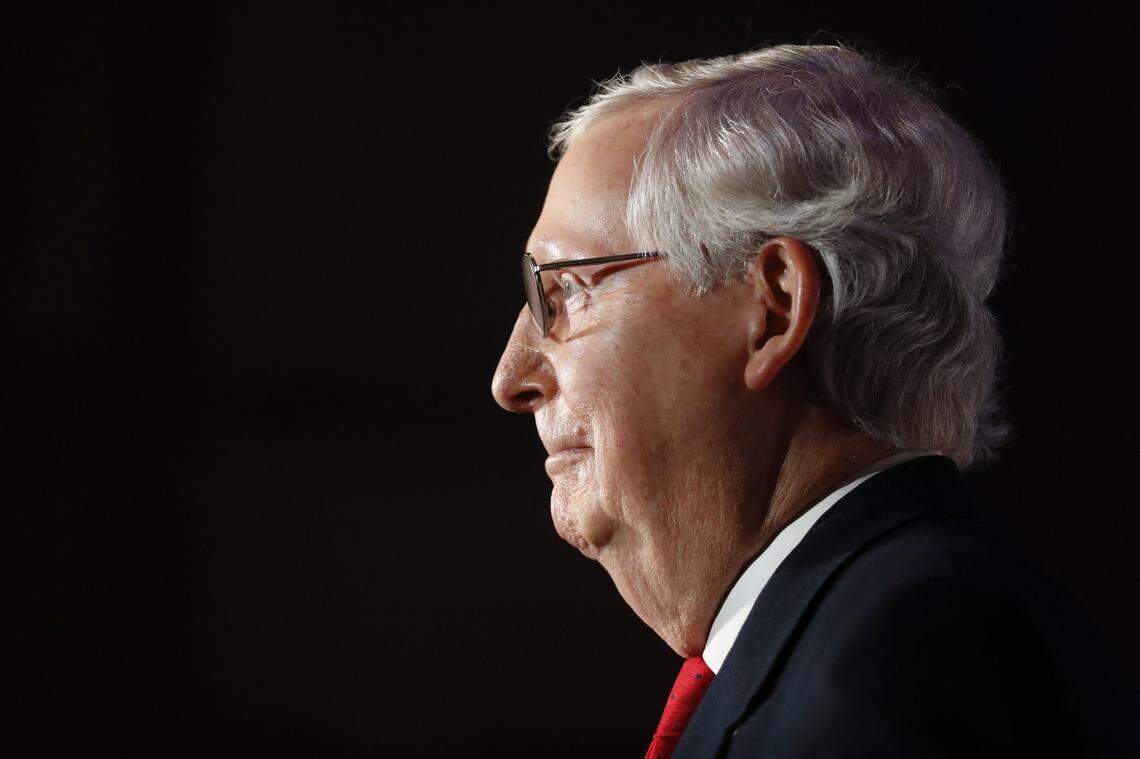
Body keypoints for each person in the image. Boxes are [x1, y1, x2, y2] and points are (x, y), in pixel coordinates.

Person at [490, 44, 1136, 757]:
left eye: (565, 292)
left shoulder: (908, 648)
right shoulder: (851, 632)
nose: (511, 377)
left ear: (774, 306)